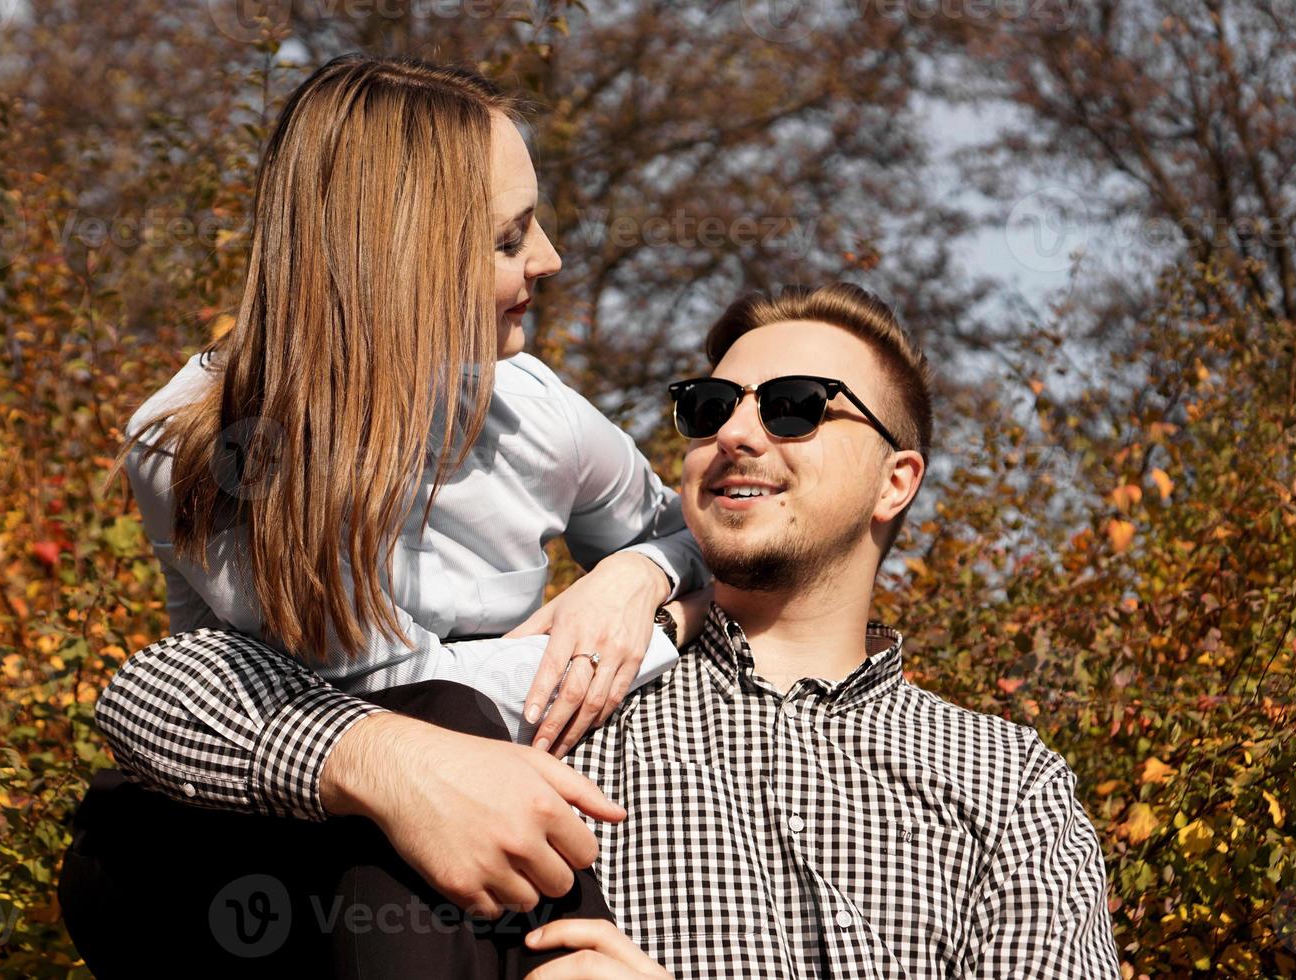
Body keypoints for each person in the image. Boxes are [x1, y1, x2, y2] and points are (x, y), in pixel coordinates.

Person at [58, 53, 709, 977]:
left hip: (414, 855)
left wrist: (637, 580)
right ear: (394, 258)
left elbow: (700, 538)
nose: (551, 259)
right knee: (443, 722)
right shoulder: (208, 446)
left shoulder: (536, 411)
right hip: (240, 828)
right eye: (508, 238)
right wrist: (645, 641)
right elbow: (390, 704)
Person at [527, 283, 1124, 978]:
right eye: (710, 407)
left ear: (894, 482)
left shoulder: (1007, 786)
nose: (734, 434)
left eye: (794, 406)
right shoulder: (565, 696)